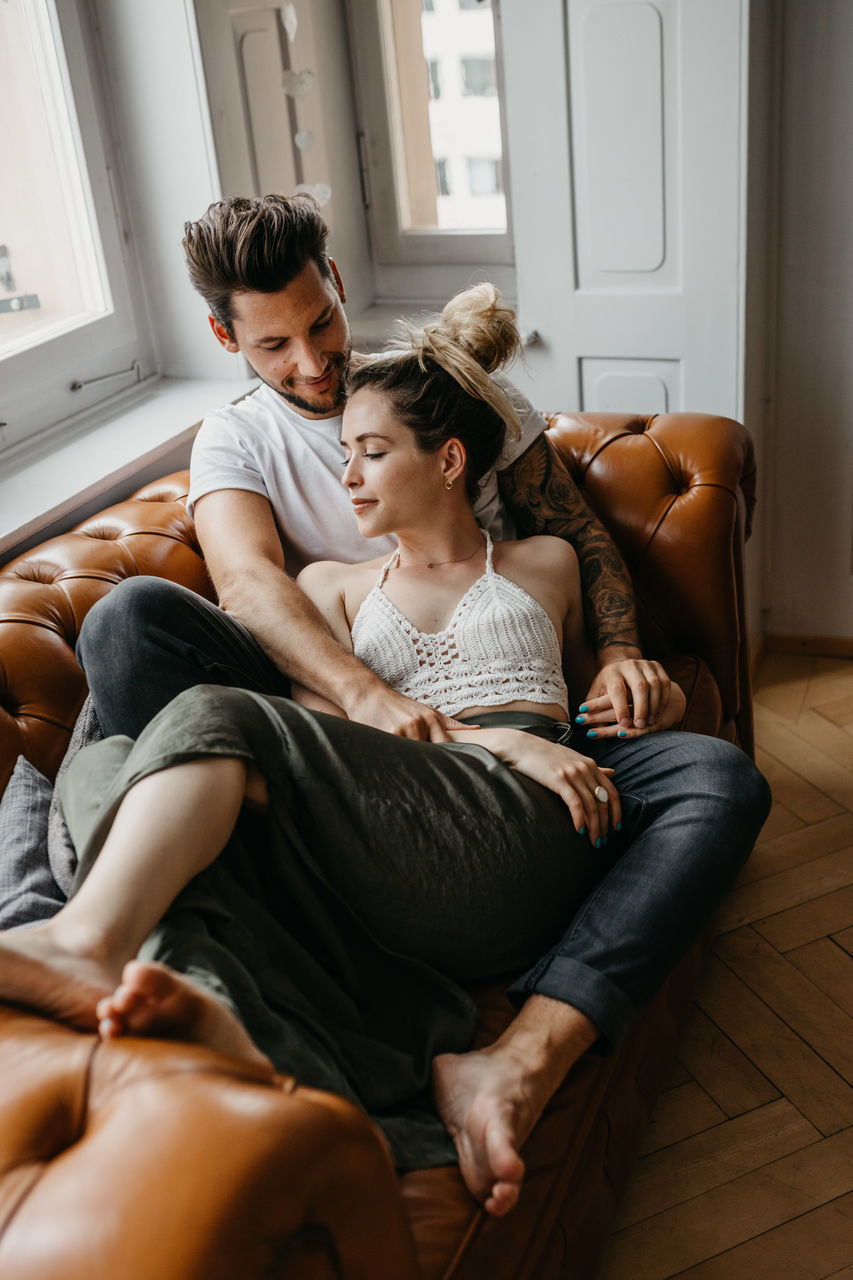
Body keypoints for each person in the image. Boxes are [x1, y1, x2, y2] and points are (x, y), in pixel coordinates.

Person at [3, 285, 770, 1219]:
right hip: (395, 834)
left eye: (370, 454)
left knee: (722, 775)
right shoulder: (327, 588)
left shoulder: (544, 564)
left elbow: (595, 717)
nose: (348, 478)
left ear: (448, 460)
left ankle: (511, 1057)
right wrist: (484, 742)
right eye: (344, 457)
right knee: (114, 757)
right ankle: (179, 973)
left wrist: (645, 683)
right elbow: (301, 750)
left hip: (528, 833)